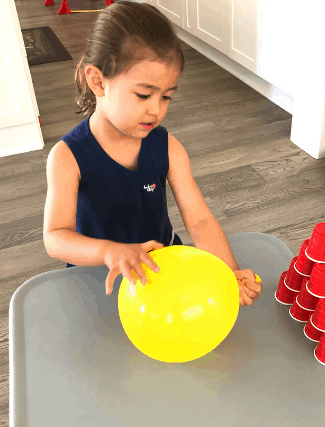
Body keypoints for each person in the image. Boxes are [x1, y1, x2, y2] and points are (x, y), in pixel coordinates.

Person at [43, 1, 261, 306]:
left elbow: (199, 221)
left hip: (161, 267)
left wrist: (230, 271)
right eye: (143, 95)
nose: (156, 110)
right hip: (98, 279)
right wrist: (109, 252)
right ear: (97, 81)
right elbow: (55, 237)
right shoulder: (67, 157)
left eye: (166, 96)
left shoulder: (168, 147)